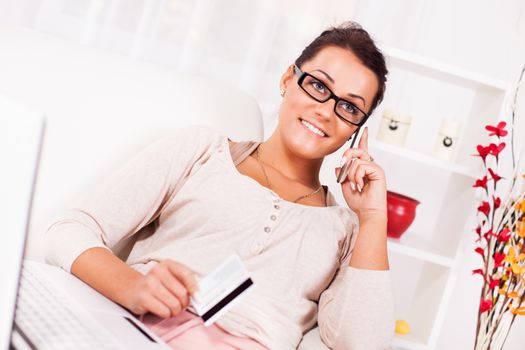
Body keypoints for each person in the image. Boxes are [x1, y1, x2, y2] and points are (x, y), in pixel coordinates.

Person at [44, 21, 394, 349]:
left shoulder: (346, 229)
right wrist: (131, 287)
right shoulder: (203, 151)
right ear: (288, 78)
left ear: (357, 130)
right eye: (318, 85)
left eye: (349, 107)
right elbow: (68, 231)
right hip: (137, 333)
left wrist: (374, 217)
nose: (326, 111)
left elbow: (362, 343)